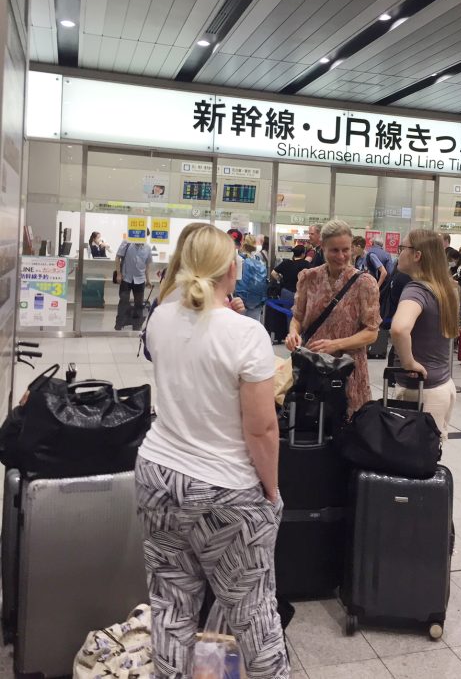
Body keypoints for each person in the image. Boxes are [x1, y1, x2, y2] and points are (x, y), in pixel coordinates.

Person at [136, 225, 288, 679]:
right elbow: (261, 428)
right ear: (232, 269)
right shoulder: (248, 334)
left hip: (158, 474)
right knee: (253, 613)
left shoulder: (159, 317)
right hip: (226, 490)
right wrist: (271, 491)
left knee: (170, 603)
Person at [285, 220, 380, 414]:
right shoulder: (309, 277)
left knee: (347, 423)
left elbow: (371, 332)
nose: (341, 256)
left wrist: (336, 344)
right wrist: (293, 334)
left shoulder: (365, 283)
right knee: (309, 421)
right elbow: (298, 318)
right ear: (322, 247)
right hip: (312, 367)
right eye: (334, 250)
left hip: (348, 370)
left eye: (346, 250)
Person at [390, 230, 459, 440]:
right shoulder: (446, 289)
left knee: (408, 454)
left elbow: (399, 328)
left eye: (402, 248)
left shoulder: (416, 290)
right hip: (442, 385)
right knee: (430, 452)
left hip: (418, 390)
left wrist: (408, 362)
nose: (399, 253)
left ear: (417, 255)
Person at [114, 237, 153, 331]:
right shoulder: (127, 243)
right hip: (126, 278)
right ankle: (119, 324)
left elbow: (147, 265)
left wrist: (148, 279)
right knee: (123, 302)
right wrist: (118, 273)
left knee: (139, 304)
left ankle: (136, 325)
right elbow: (117, 257)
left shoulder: (147, 248)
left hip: (140, 280)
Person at [236, 234, 268, 321]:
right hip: (257, 301)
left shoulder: (239, 259)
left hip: (240, 301)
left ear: (243, 244)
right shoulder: (259, 260)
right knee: (254, 324)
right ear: (254, 244)